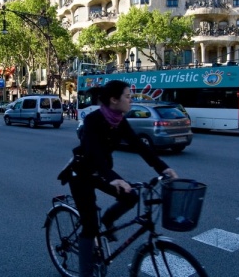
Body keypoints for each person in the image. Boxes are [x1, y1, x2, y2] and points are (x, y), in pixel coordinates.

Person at [65, 80, 178, 277]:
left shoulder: (119, 120)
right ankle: (86, 274)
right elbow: (94, 153)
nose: (131, 100)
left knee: (131, 196)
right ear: (114, 100)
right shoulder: (93, 120)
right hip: (82, 174)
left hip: (103, 173)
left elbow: (138, 146)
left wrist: (163, 168)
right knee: (90, 227)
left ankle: (108, 219)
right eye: (128, 96)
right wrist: (112, 178)